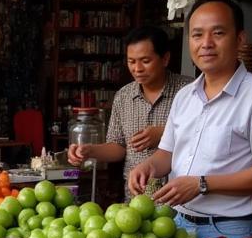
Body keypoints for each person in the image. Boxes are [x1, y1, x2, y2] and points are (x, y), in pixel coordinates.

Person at [127, 0, 252, 238]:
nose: (206, 44)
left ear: (240, 39)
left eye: (218, 33)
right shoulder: (184, 96)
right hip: (177, 225)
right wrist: (147, 167)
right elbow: (167, 154)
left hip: (231, 231)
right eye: (197, 35)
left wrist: (202, 184)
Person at [67, 26, 191, 192]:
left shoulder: (189, 91)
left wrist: (165, 133)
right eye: (131, 61)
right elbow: (118, 147)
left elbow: (206, 136)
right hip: (135, 198)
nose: (137, 69)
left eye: (145, 61)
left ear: (165, 59)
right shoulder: (123, 96)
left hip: (178, 196)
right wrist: (90, 150)